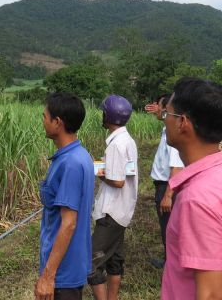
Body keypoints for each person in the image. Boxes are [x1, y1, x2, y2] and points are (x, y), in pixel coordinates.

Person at [161, 78, 222, 300]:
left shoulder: (197, 199)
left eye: (167, 114)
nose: (164, 120)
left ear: (182, 123)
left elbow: (211, 294)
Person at [35, 93, 95, 300]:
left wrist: (48, 276)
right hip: (67, 267)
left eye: (45, 116)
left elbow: (68, 224)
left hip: (63, 273)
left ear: (57, 122)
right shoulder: (79, 156)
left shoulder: (70, 163)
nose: (43, 122)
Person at [88, 95, 138, 300]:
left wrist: (99, 173)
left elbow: (118, 181)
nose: (102, 115)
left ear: (110, 116)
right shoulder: (128, 141)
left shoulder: (116, 145)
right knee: (115, 259)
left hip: (111, 212)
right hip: (122, 211)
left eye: (103, 112)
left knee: (90, 262)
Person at [144, 93, 184, 269]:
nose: (157, 109)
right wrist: (159, 113)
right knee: (166, 227)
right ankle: (170, 261)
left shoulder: (172, 135)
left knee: (169, 228)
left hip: (168, 187)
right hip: (164, 186)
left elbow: (177, 167)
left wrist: (168, 195)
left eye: (160, 107)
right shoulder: (166, 129)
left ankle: (173, 267)